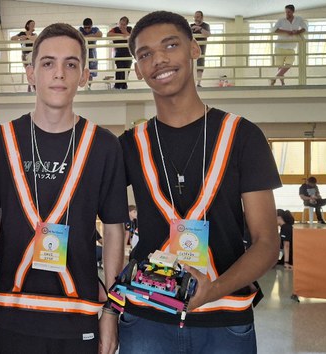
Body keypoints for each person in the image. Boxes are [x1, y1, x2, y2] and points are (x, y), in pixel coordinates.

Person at [119, 11, 281, 352]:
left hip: (224, 320)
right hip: (147, 317)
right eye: (145, 54)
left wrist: (215, 288)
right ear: (137, 69)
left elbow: (267, 241)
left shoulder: (243, 136)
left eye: (171, 45)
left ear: (194, 49)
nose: (158, 59)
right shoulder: (129, 145)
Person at [0, 23, 128, 354]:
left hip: (80, 313)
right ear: (31, 73)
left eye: (70, 64)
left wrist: (112, 312)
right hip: (11, 312)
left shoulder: (104, 145)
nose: (59, 73)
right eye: (48, 63)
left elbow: (115, 230)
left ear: (85, 75)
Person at [270, 4, 307, 86]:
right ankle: (282, 83)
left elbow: (305, 28)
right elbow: (273, 30)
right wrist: (287, 32)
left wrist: (297, 32)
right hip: (280, 46)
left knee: (289, 64)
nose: (287, 14)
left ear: (293, 12)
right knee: (280, 66)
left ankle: (274, 78)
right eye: (286, 12)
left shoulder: (298, 19)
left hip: (291, 47)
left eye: (289, 12)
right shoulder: (281, 20)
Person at [11, 20, 37, 92]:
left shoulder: (34, 34)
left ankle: (33, 88)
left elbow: (36, 39)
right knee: (28, 71)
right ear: (28, 25)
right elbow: (12, 38)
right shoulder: (22, 33)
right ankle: (31, 88)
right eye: (31, 24)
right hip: (25, 55)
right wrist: (20, 37)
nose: (33, 26)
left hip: (32, 55)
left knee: (33, 71)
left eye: (34, 24)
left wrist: (27, 37)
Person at [107, 16, 132, 89]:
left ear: (126, 24)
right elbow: (108, 34)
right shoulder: (115, 29)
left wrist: (125, 32)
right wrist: (122, 35)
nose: (121, 26)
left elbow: (132, 36)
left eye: (124, 24)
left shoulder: (129, 29)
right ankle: (117, 86)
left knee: (126, 71)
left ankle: (124, 86)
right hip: (119, 53)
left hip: (128, 53)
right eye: (120, 24)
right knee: (119, 69)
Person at [79, 18, 103, 87]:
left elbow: (100, 34)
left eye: (88, 28)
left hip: (92, 53)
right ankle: (84, 85)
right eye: (85, 28)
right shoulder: (80, 29)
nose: (86, 29)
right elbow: (79, 35)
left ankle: (89, 86)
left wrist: (86, 37)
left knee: (91, 72)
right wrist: (91, 36)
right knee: (82, 70)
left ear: (91, 26)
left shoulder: (95, 29)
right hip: (83, 53)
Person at [190, 11, 211, 87]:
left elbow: (208, 34)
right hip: (191, 48)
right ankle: (191, 83)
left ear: (202, 17)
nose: (196, 18)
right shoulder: (191, 26)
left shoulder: (205, 25)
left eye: (198, 17)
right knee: (190, 65)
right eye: (195, 17)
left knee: (200, 65)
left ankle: (198, 84)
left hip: (201, 49)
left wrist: (199, 28)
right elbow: (186, 35)